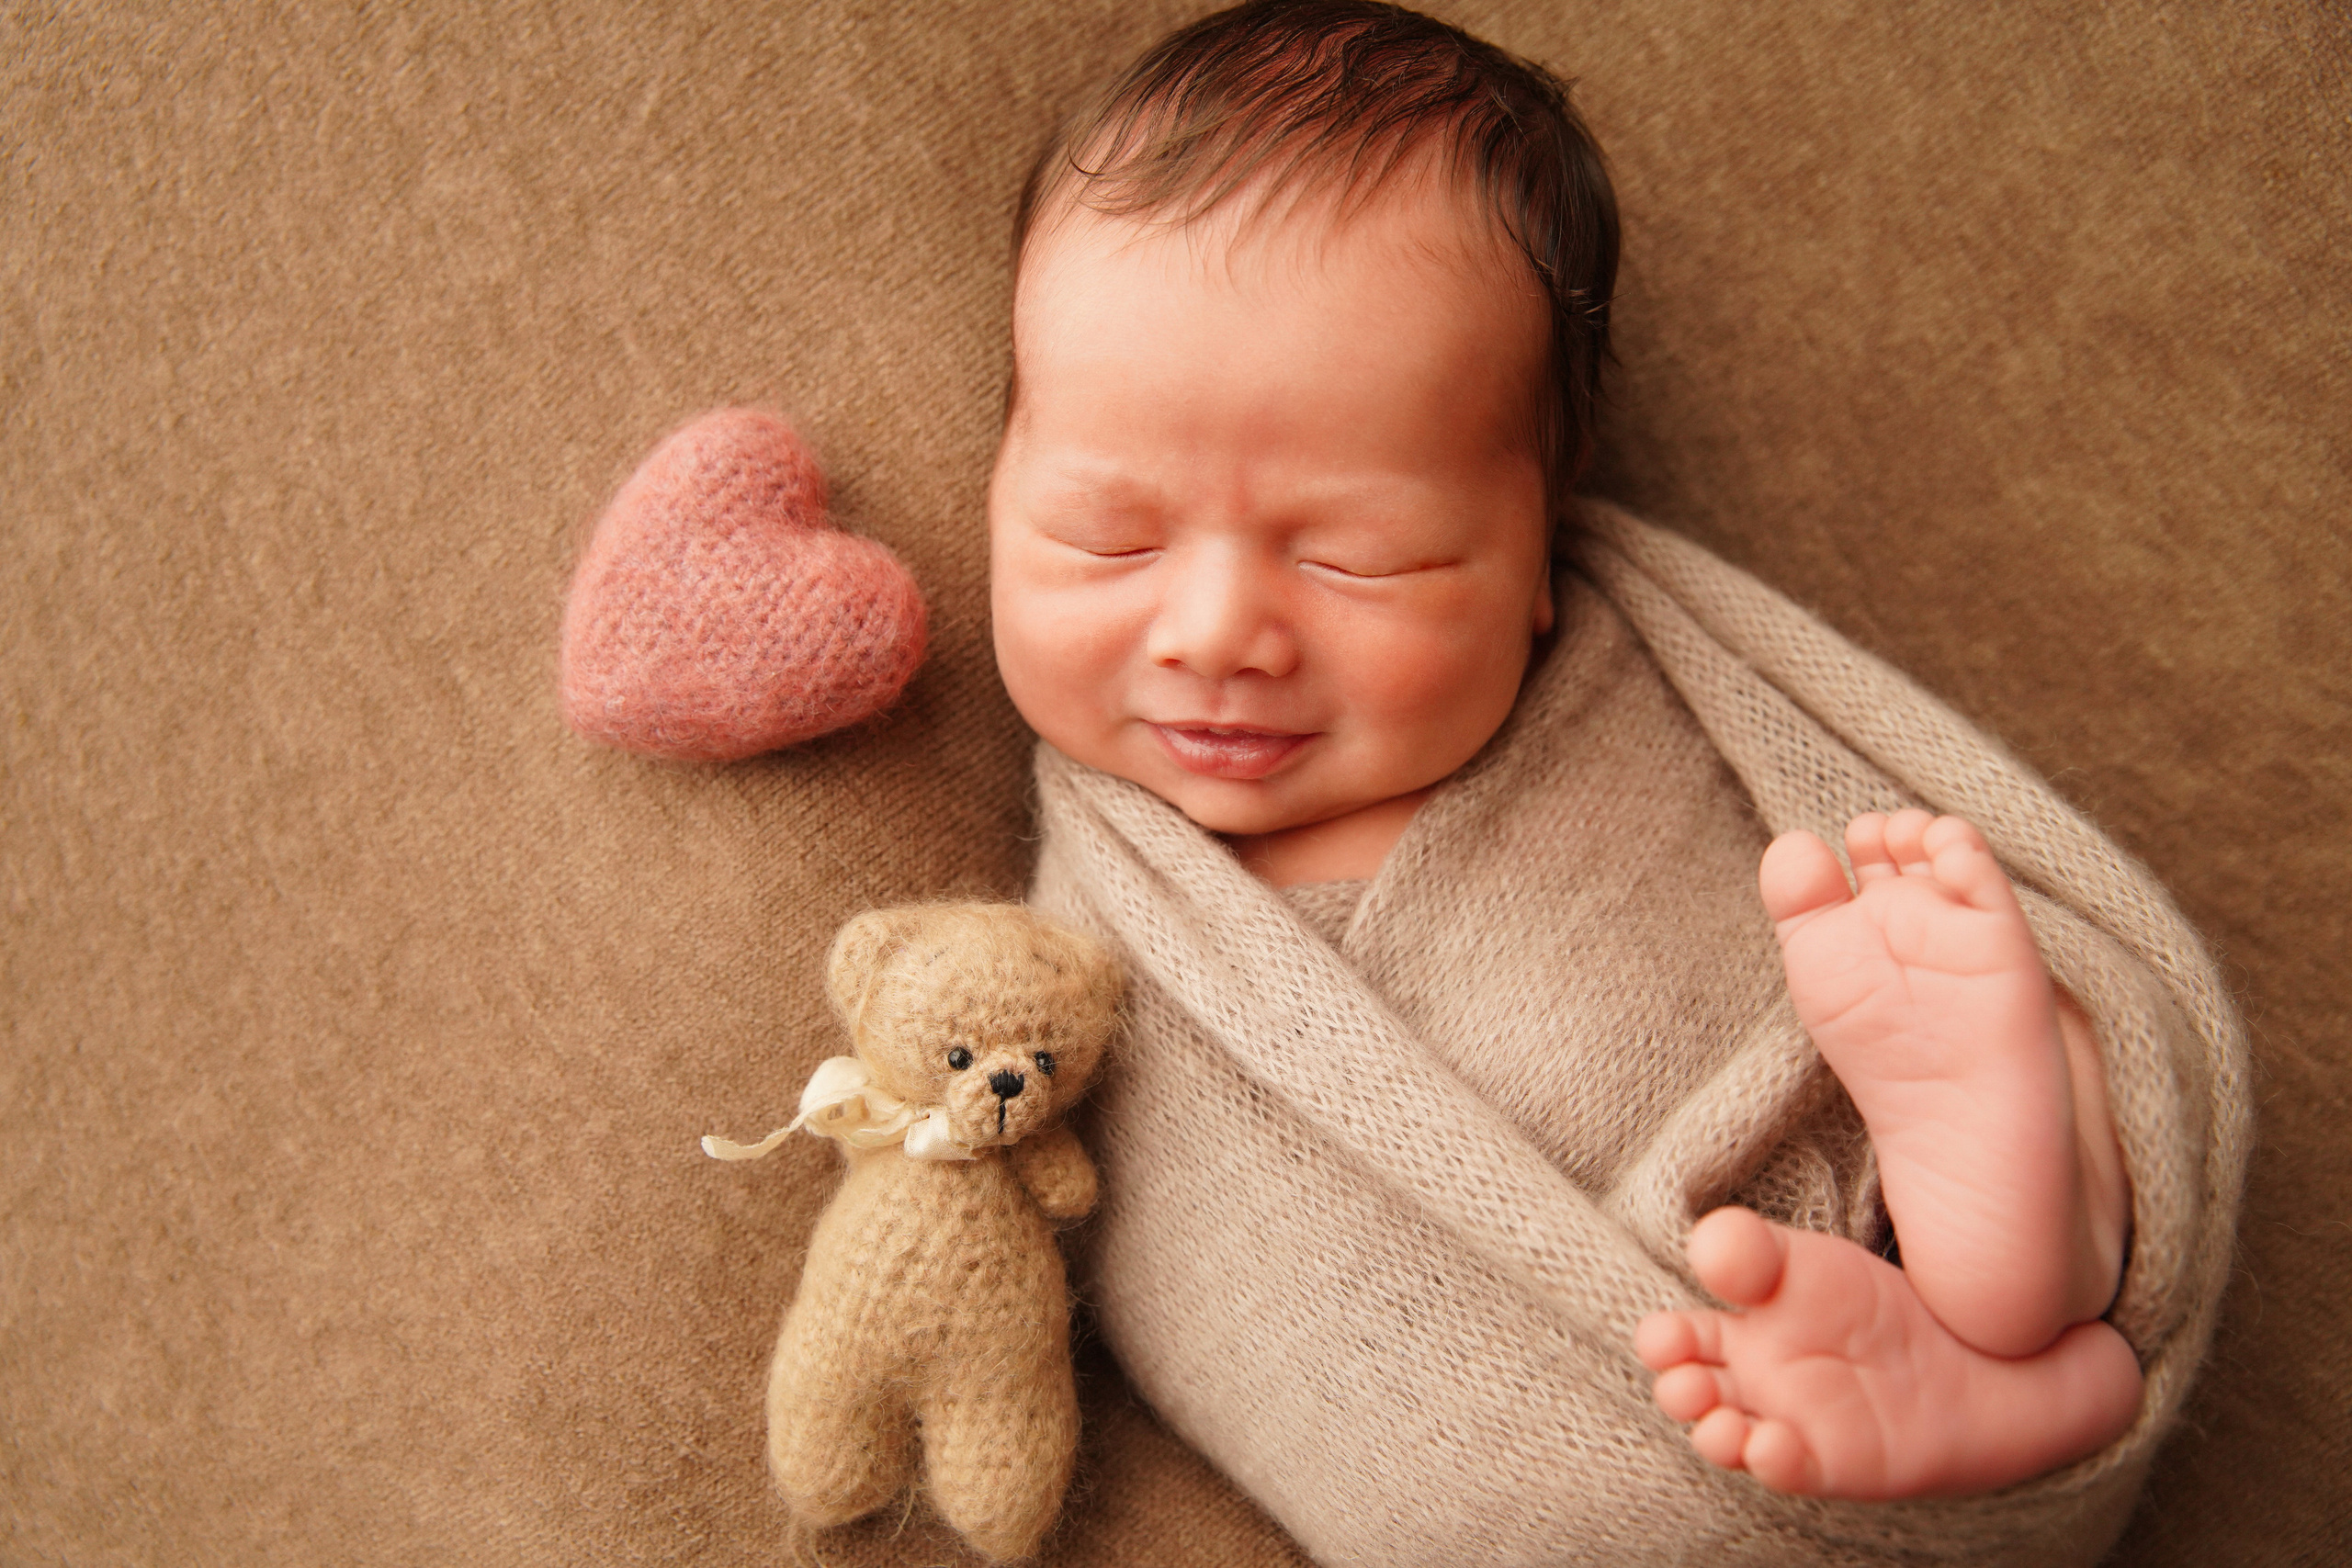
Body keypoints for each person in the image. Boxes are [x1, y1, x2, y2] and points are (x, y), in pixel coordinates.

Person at [988, 1, 2225, 1553]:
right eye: (1109, 534)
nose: (1219, 630)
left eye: (1358, 555)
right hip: (1636, 1391)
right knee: (1797, 1382)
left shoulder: (1631, 697)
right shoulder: (1086, 932)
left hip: (1800, 1137)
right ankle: (2021, 1380)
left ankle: (2011, 1233)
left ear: (1537, 559)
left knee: (2035, 1027)